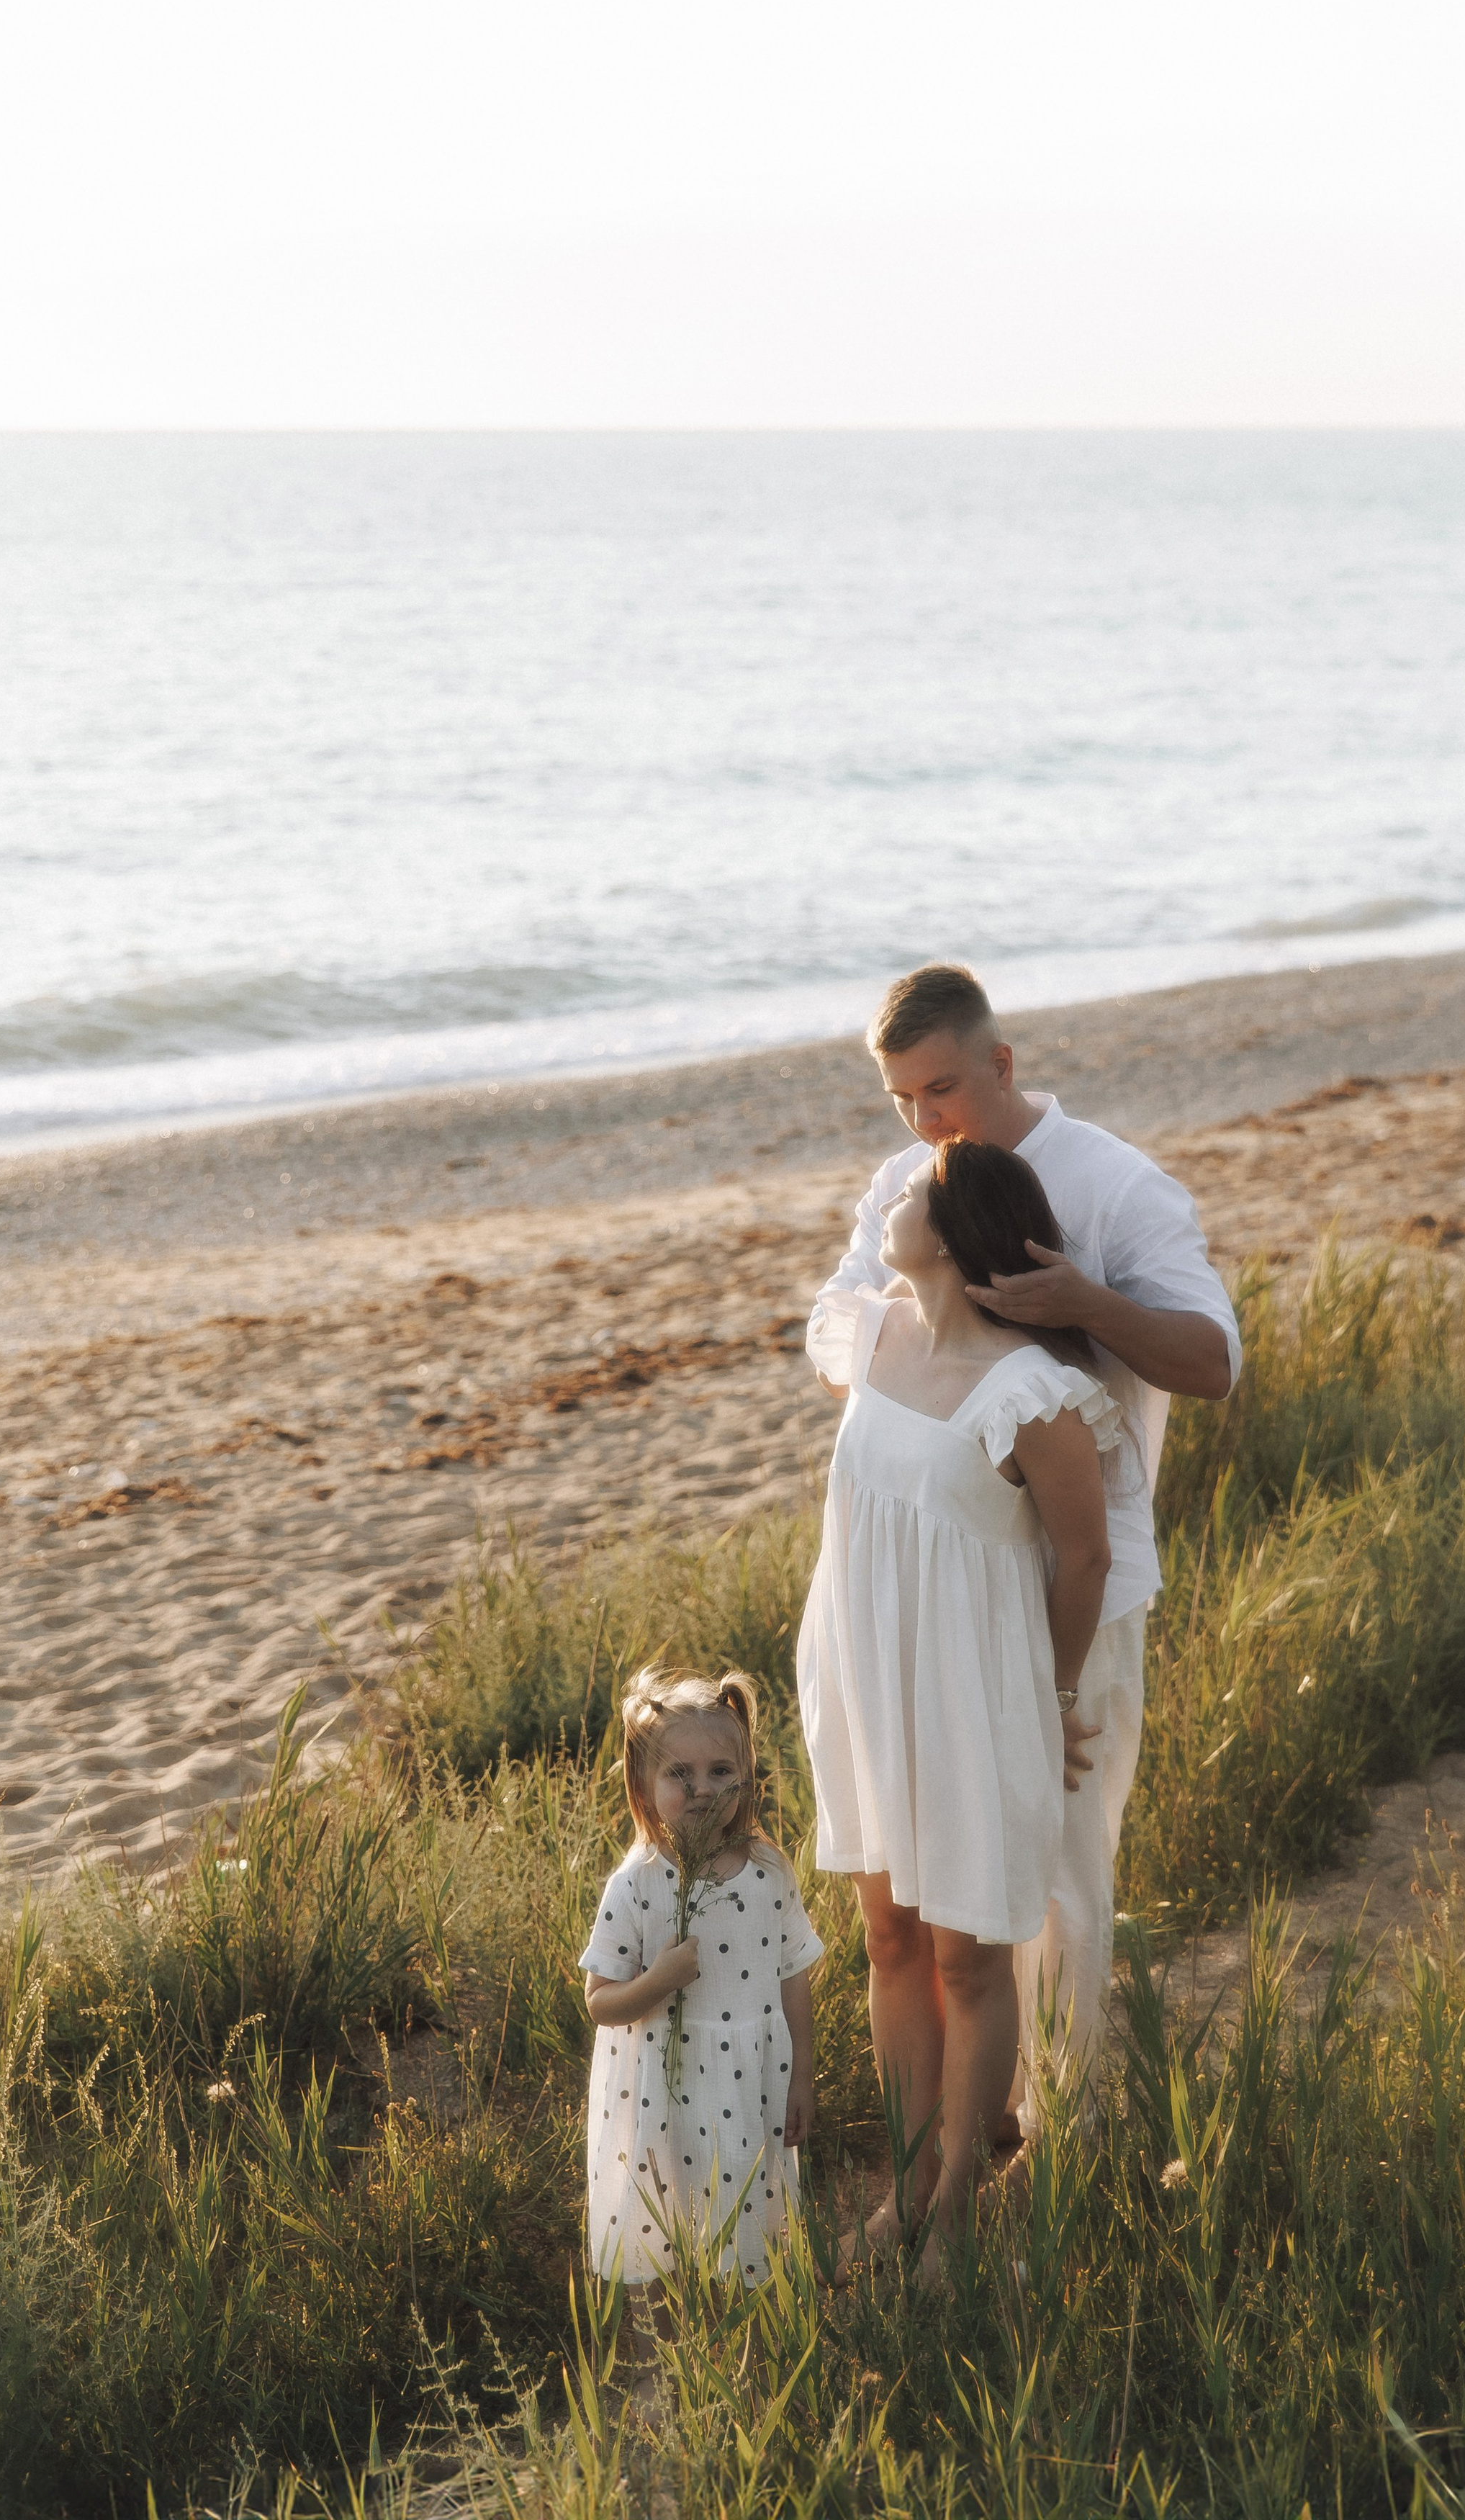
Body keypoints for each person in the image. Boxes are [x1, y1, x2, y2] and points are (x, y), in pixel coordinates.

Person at [806, 962, 1240, 2143]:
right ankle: (965, 2132)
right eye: (900, 1095)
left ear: (1000, 1062)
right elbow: (837, 1327)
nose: (922, 1118)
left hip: (1071, 1589)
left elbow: (1210, 1361)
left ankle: (1067, 2134)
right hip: (926, 1591)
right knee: (924, 1873)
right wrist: (940, 1358)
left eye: (940, 1085)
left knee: (1055, 1871)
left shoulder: (1114, 1182)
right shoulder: (905, 1182)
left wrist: (1079, 1306)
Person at [798, 1136, 1126, 2264]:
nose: (889, 1194)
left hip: (974, 1698)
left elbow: (1083, 1560)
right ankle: (906, 2188)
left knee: (969, 1961)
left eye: (913, 1191)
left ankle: (952, 2225)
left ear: (950, 1233)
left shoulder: (1033, 1393)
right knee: (890, 1942)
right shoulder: (874, 1329)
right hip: (865, 1673)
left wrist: (1058, 1691)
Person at [580, 1665, 824, 2287]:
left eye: (721, 1772)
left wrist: (802, 2075)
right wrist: (659, 1979)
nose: (702, 1790)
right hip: (662, 2087)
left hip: (750, 2083)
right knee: (663, 2211)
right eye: (678, 1775)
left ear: (745, 1776)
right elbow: (601, 2002)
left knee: (744, 2203)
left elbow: (793, 1975)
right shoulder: (636, 1883)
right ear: (643, 1783)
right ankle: (662, 2343)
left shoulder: (769, 1871)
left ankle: (745, 2331)